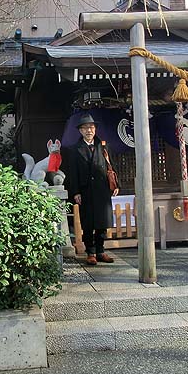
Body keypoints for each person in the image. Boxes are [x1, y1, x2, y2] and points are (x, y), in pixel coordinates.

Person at [67, 114, 119, 266]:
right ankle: (90, 252)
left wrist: (116, 185)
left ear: (95, 129)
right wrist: (75, 192)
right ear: (80, 131)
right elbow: (73, 173)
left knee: (102, 222)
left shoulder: (103, 146)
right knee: (88, 223)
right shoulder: (75, 149)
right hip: (86, 190)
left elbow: (112, 166)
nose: (89, 130)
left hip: (102, 189)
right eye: (85, 128)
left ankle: (100, 251)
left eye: (91, 127)